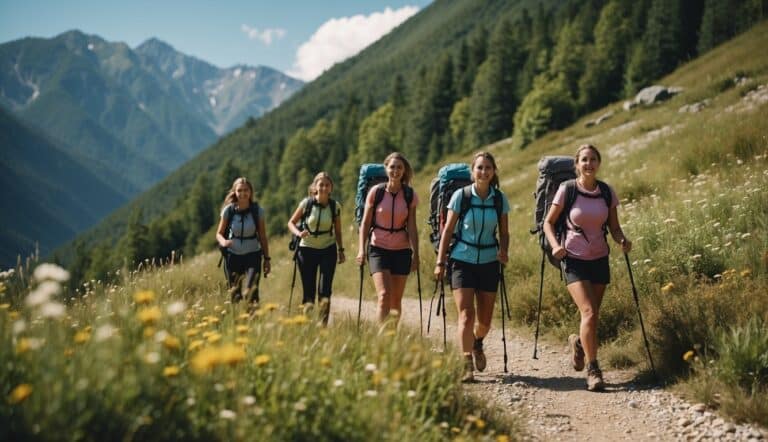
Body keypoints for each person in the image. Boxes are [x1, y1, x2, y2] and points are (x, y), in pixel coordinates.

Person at [543, 144, 631, 391]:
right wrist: (554, 247)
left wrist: (622, 239)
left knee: (592, 317)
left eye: (593, 159)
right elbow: (548, 223)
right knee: (590, 312)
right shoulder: (567, 190)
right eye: (584, 160)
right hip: (573, 259)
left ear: (598, 163)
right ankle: (594, 370)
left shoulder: (606, 192)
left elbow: (614, 227)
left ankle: (579, 344)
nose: (589, 164)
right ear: (576, 165)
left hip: (600, 258)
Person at [434, 151, 510, 383]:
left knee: (485, 321)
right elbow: (447, 231)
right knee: (466, 314)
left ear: (493, 171)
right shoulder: (461, 196)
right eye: (479, 167)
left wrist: (504, 250)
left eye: (488, 167)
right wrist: (440, 261)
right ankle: (466, 361)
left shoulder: (499, 199)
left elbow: (504, 232)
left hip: (489, 261)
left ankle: (477, 342)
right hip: (462, 260)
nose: (484, 171)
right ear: (472, 171)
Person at [356, 152, 419, 325]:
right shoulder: (376, 192)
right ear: (386, 169)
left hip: (402, 251)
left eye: (399, 167)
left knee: (396, 301)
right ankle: (381, 340)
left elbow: (412, 227)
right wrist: (361, 249)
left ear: (404, 170)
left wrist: (416, 254)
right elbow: (366, 223)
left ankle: (392, 338)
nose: (396, 171)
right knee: (384, 295)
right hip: (378, 248)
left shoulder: (409, 195)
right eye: (392, 167)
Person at [287, 172, 345, 325]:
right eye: (321, 185)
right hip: (306, 250)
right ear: (315, 187)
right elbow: (291, 223)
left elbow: (338, 231)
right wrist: (299, 233)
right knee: (309, 293)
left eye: (327, 185)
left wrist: (341, 250)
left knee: (325, 291)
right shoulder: (306, 203)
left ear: (331, 188)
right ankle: (305, 325)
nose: (324, 188)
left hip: (328, 250)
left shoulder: (335, 206)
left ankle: (323, 326)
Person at [216, 177, 271, 305]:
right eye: (239, 190)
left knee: (251, 291)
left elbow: (262, 236)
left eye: (246, 190)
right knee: (235, 294)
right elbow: (219, 233)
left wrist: (267, 259)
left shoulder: (258, 211)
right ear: (234, 192)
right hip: (232, 256)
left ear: (251, 192)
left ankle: (252, 321)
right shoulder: (228, 211)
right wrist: (224, 242)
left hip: (253, 255)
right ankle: (237, 322)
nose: (243, 193)